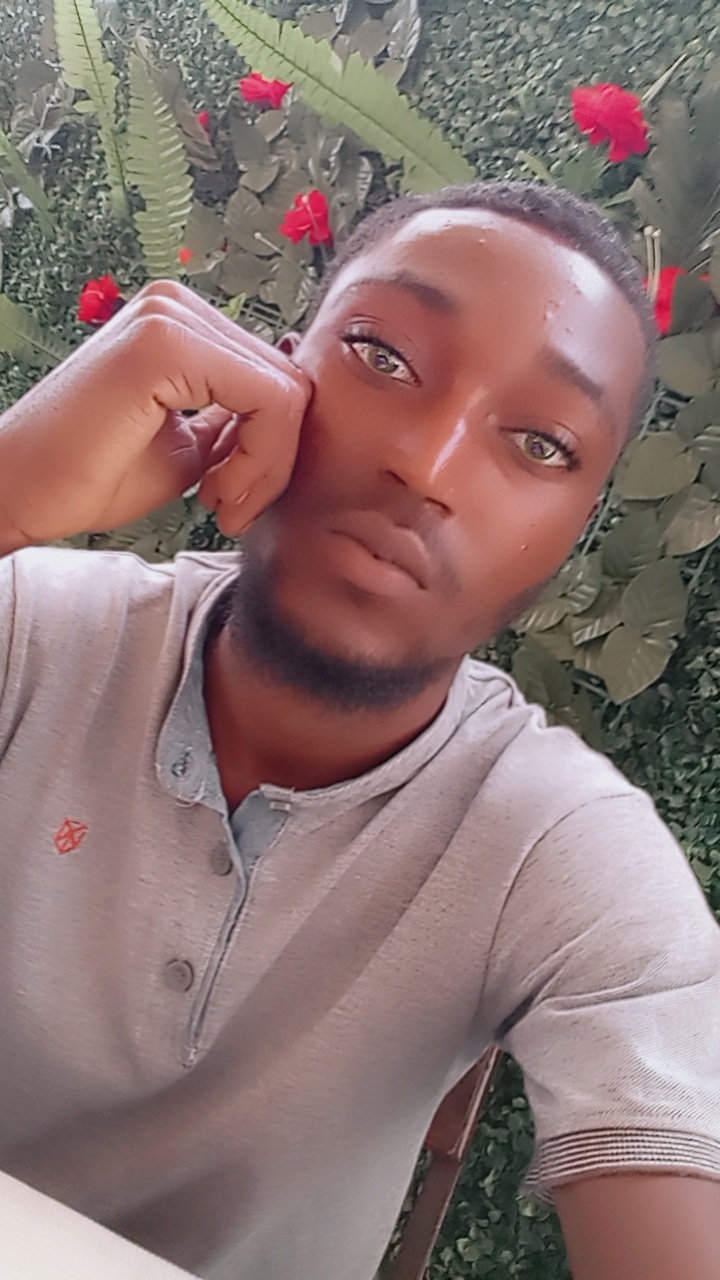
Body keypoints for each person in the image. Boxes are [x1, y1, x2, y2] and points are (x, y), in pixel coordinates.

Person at [0, 180, 718, 1280]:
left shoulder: (556, 848)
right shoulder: (34, 634)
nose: (427, 467)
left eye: (540, 443)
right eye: (384, 357)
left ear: (573, 532)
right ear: (265, 377)